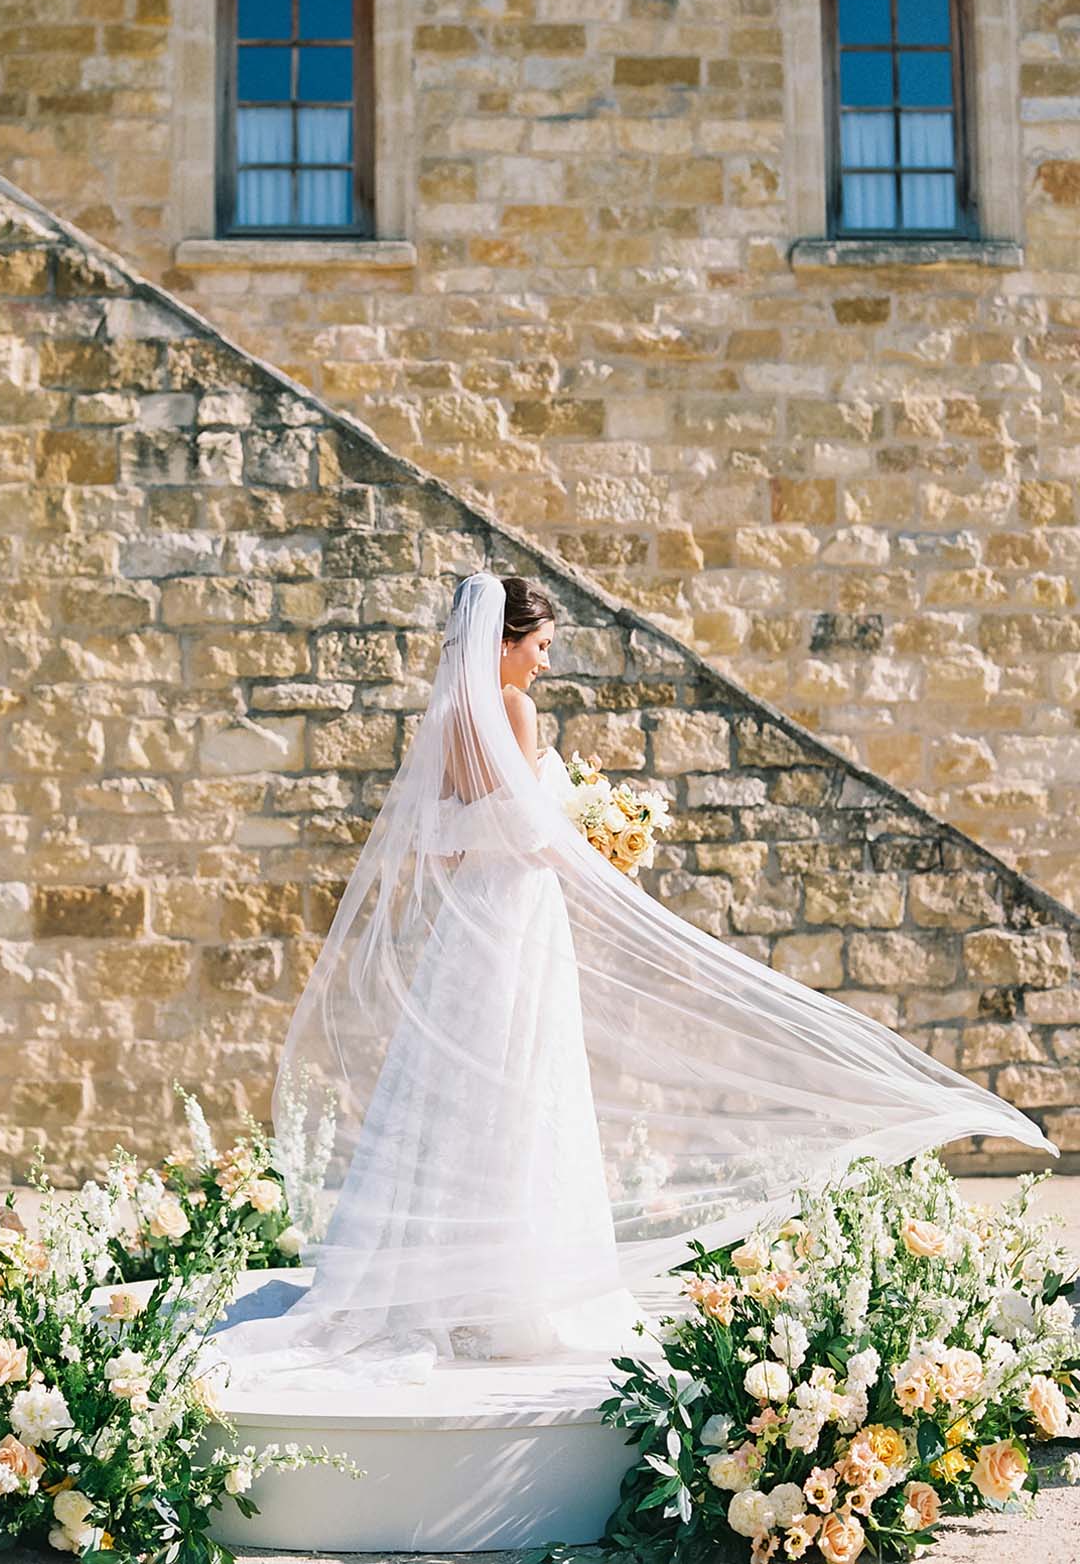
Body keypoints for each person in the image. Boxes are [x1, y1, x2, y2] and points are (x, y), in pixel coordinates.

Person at [213, 570, 1055, 1391]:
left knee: (457, 1085)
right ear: (504, 644)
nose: (545, 661)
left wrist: (558, 827)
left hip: (473, 916)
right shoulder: (511, 707)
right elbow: (534, 836)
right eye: (539, 645)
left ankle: (433, 1284)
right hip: (520, 910)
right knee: (522, 1080)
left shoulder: (450, 719)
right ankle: (509, 1296)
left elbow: (444, 845)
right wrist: (591, 837)